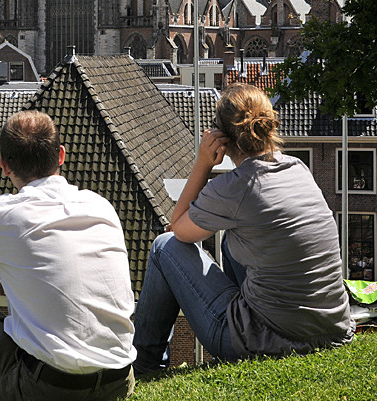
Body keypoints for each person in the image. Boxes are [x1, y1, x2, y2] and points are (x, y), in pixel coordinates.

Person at [0, 110, 136, 401]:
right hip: (118, 382)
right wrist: (11, 274)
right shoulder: (101, 207)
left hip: (46, 390)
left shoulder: (2, 216)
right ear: (61, 156)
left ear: (4, 166)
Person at [132, 83, 354, 372]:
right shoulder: (298, 167)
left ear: (221, 138)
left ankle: (145, 366)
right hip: (333, 329)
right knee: (230, 244)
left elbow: (178, 229)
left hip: (273, 340)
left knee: (164, 247)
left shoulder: (235, 187)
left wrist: (202, 164)